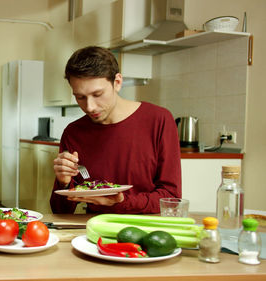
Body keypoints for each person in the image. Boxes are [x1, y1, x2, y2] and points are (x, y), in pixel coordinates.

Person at [50, 46, 181, 214]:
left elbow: (171, 198)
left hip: (148, 228)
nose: (89, 107)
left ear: (117, 82)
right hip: (93, 229)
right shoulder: (74, 132)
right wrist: (64, 183)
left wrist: (121, 202)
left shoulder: (159, 120)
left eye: (97, 94)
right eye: (80, 97)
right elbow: (59, 211)